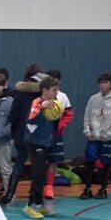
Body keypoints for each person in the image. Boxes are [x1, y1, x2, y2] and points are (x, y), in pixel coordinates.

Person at [1, 64, 44, 205]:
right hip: (36, 133)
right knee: (38, 165)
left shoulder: (18, 91)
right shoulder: (42, 93)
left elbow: (14, 114)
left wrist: (14, 134)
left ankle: (9, 193)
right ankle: (36, 197)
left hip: (21, 132)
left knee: (19, 162)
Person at [22, 76, 62, 220]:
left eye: (57, 90)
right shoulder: (37, 103)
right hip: (35, 142)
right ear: (45, 90)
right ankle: (30, 205)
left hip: (44, 142)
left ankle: (39, 204)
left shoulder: (54, 103)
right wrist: (41, 108)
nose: (56, 93)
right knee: (37, 174)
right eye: (54, 90)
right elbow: (30, 120)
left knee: (42, 174)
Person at [81, 73, 111, 200]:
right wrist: (87, 132)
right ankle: (87, 188)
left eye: (105, 82)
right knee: (90, 161)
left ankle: (103, 189)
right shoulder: (93, 99)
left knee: (106, 163)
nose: (102, 85)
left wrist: (109, 135)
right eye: (101, 82)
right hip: (93, 138)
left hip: (106, 139)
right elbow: (87, 116)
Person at [43, 69, 75, 200]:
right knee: (40, 160)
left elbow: (69, 114)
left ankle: (49, 187)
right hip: (42, 134)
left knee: (53, 160)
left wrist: (60, 126)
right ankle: (39, 185)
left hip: (56, 134)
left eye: (56, 79)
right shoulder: (42, 96)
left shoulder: (63, 97)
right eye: (50, 78)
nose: (53, 81)